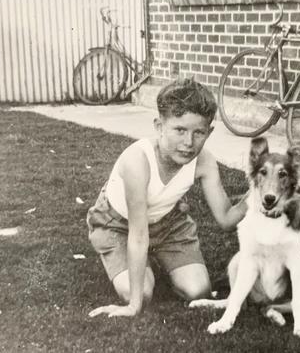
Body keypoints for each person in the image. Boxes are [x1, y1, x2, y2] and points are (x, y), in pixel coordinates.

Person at [87, 78, 248, 317]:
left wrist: (260, 194)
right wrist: (133, 307)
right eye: (179, 130)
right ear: (159, 126)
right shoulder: (137, 161)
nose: (188, 143)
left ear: (209, 132)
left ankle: (157, 257)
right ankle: (135, 262)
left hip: (168, 222)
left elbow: (225, 218)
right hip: (118, 224)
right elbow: (138, 235)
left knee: (198, 290)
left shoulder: (204, 161)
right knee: (141, 294)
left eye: (199, 132)